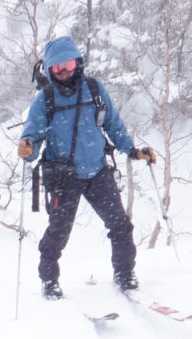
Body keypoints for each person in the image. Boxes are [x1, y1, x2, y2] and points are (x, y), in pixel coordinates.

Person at [17, 35, 156, 300]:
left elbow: (113, 124)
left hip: (97, 172)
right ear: (49, 70)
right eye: (57, 68)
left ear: (78, 62)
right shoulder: (45, 99)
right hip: (64, 177)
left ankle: (125, 275)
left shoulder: (93, 89)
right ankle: (49, 282)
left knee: (121, 226)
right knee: (57, 234)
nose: (64, 72)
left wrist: (133, 150)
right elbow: (32, 137)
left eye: (68, 64)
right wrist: (27, 149)